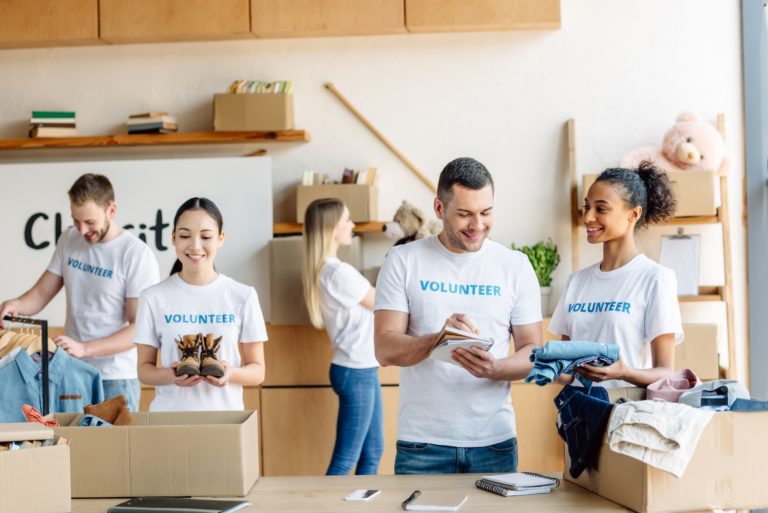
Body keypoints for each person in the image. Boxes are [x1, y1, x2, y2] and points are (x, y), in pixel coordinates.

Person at [374, 157, 543, 474]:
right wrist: (439, 340)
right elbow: (384, 349)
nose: (477, 225)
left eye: (486, 212)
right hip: (422, 445)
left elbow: (533, 351)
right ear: (439, 209)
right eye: (464, 214)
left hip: (495, 442)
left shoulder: (515, 266)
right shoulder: (403, 260)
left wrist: (495, 368)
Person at [0, 173, 159, 411]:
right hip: (71, 372)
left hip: (115, 378)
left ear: (111, 210)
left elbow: (139, 328)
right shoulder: (69, 240)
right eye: (76, 220)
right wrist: (15, 305)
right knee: (70, 445)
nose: (83, 230)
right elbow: (41, 294)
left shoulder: (135, 255)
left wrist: (85, 349)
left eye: (90, 222)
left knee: (114, 448)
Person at [549, 161, 683, 388]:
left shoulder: (655, 279)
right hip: (577, 416)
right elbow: (569, 372)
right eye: (587, 206)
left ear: (634, 214)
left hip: (627, 416)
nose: (588, 217)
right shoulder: (577, 282)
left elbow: (665, 373)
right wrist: (542, 364)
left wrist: (623, 372)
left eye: (601, 209)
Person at [134, 197, 266, 411]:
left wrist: (230, 373)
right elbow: (144, 370)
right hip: (168, 421)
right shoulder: (152, 297)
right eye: (185, 236)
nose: (195, 246)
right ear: (174, 238)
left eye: (205, 236)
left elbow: (258, 371)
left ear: (220, 238)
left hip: (225, 422)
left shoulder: (243, 296)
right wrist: (170, 375)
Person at [302, 198, 383, 476]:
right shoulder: (339, 273)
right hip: (355, 370)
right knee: (346, 460)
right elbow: (380, 302)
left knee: (372, 453)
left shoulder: (329, 270)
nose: (353, 225)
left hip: (360, 368)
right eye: (347, 220)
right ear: (331, 228)